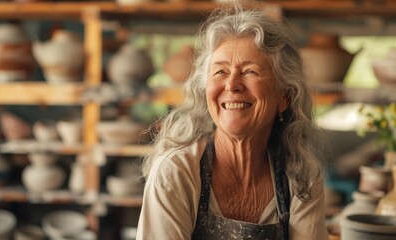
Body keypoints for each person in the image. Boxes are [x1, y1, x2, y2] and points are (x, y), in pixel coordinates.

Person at [136, 5, 329, 240]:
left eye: (250, 72)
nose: (231, 85)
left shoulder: (300, 176)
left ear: (284, 97)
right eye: (220, 72)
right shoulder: (176, 172)